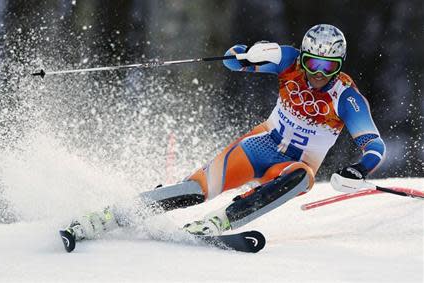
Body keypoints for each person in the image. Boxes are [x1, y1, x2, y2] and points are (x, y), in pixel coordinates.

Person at [61, 24, 386, 247]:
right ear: (303, 57)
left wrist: (359, 169)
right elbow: (233, 61)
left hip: (287, 168)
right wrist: (250, 52)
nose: (317, 74)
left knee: (303, 177)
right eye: (312, 63)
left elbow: (373, 144)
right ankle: (107, 216)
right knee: (194, 189)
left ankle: (218, 222)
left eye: (327, 67)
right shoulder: (288, 61)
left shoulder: (346, 97)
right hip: (258, 147)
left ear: (338, 65)